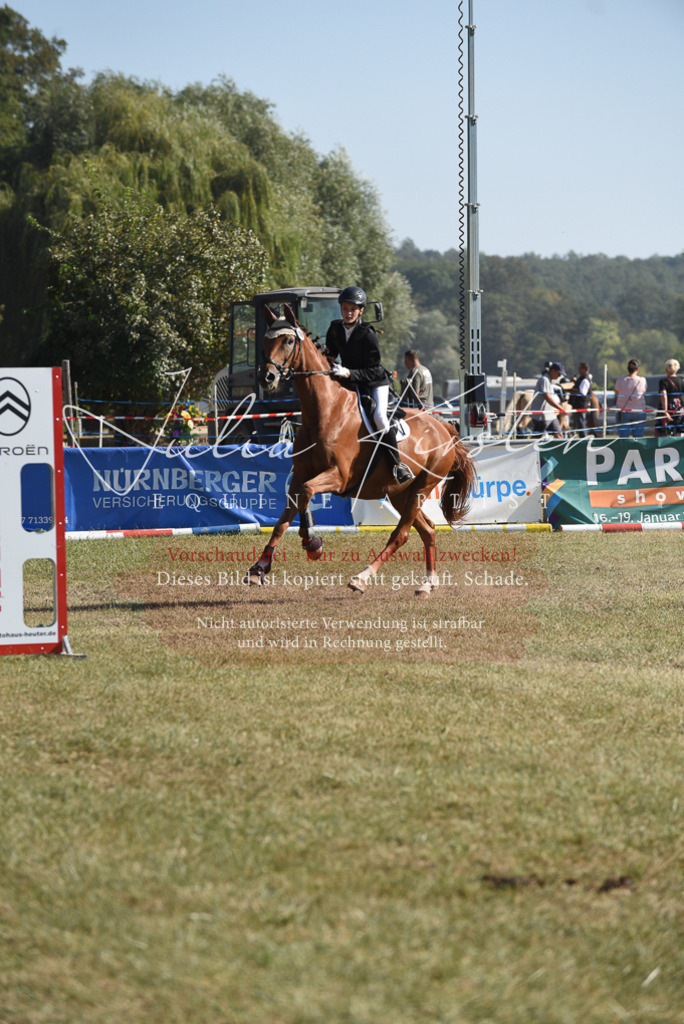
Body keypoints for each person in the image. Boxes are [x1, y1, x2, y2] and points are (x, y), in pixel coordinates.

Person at [325, 286, 414, 483]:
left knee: (379, 416)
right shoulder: (334, 329)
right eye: (345, 308)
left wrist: (348, 372)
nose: (348, 313)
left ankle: (397, 464)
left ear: (361, 311)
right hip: (349, 380)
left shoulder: (367, 333)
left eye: (353, 309)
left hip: (374, 381)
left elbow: (373, 369)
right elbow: (330, 354)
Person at [530, 362, 566, 438]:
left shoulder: (550, 380)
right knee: (537, 438)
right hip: (541, 416)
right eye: (558, 373)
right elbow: (548, 397)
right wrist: (561, 408)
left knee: (559, 435)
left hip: (550, 415)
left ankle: (560, 449)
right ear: (552, 370)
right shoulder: (544, 380)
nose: (559, 376)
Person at [614, 359, 647, 438]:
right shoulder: (642, 380)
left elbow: (616, 392)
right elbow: (644, 392)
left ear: (627, 368)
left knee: (623, 437)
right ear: (637, 369)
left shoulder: (620, 380)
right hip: (639, 411)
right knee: (638, 437)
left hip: (623, 411)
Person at [656, 358, 684, 436]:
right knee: (678, 432)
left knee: (664, 433)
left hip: (668, 407)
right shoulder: (682, 380)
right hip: (679, 408)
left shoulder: (663, 381)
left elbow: (663, 396)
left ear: (666, 369)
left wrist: (665, 411)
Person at [568, 361, 593, 437]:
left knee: (581, 424)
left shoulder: (585, 380)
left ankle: (583, 440)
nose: (578, 370)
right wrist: (576, 381)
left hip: (581, 405)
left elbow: (582, 392)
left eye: (580, 368)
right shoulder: (582, 379)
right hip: (578, 405)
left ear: (584, 369)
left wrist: (570, 391)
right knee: (579, 424)